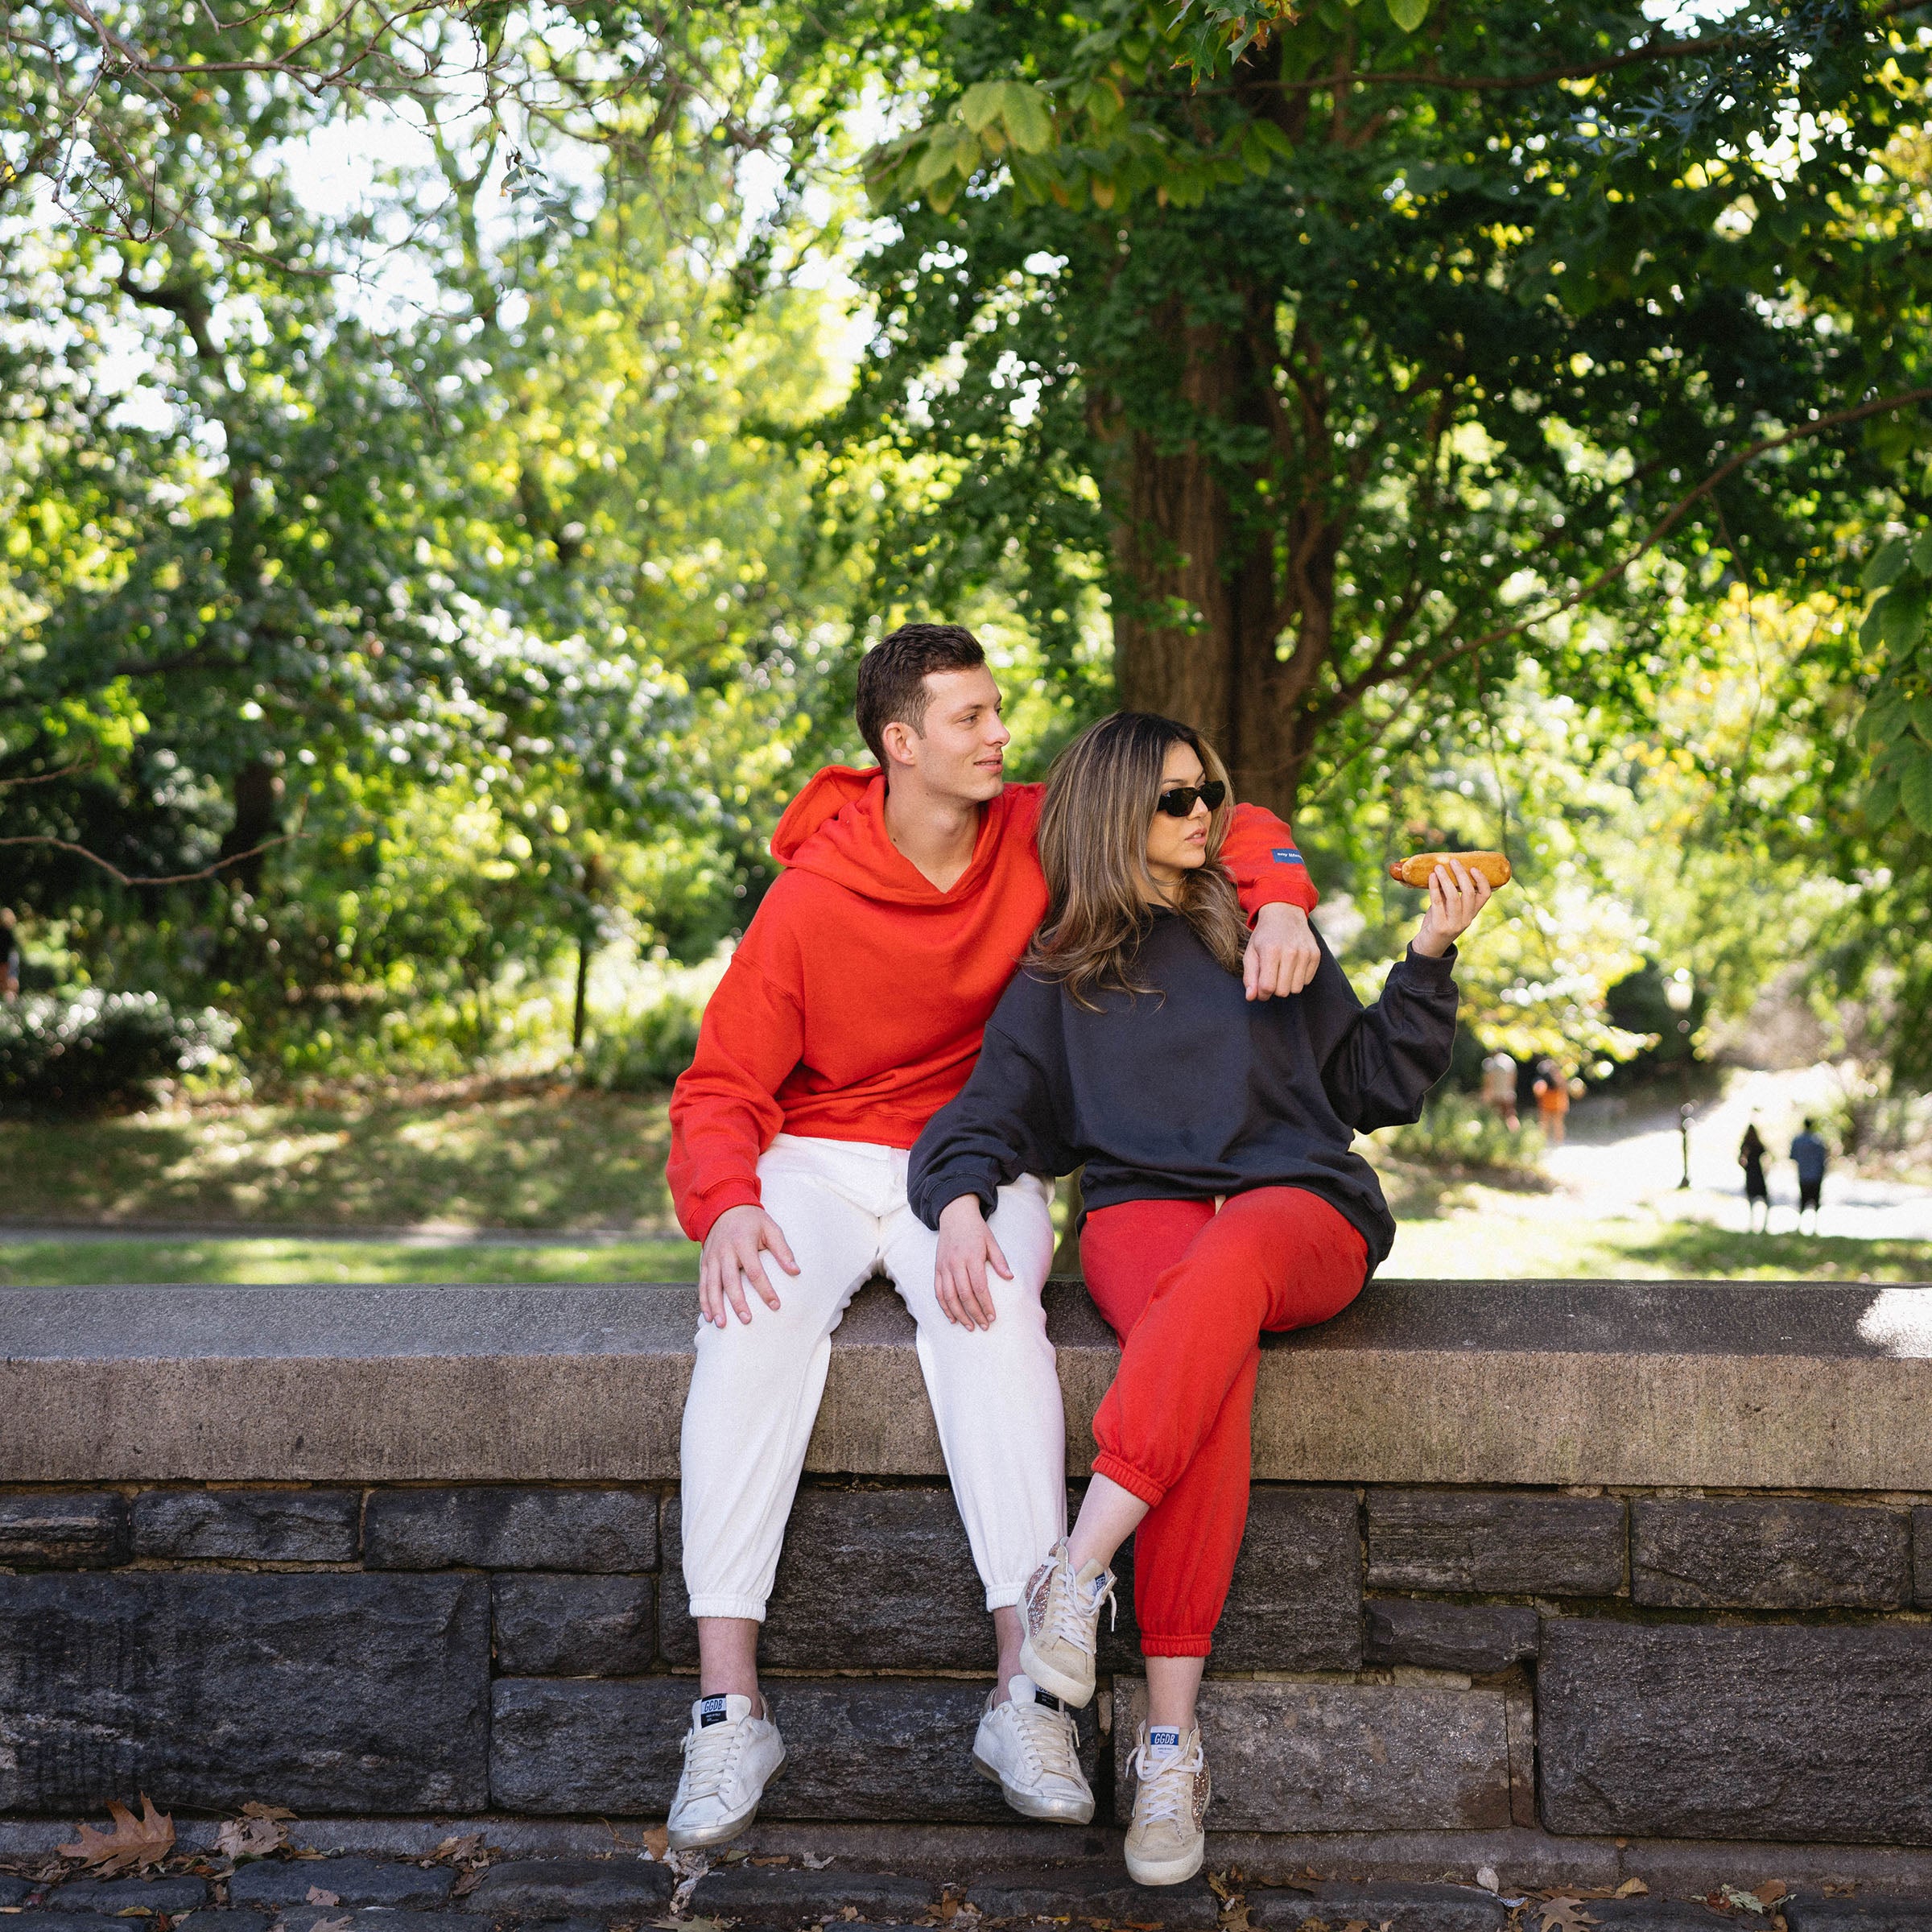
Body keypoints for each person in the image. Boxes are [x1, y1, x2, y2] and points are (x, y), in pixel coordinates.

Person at [663, 627, 1324, 1852]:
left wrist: (1282, 894)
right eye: (970, 718)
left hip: (974, 1155)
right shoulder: (808, 899)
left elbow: (1220, 815)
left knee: (993, 1313)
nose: (1000, 734)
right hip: (817, 1157)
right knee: (746, 1319)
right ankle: (726, 1709)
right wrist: (729, 1198)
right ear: (900, 743)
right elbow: (720, 1086)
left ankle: (1029, 1696)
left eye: (998, 711)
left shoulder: (1037, 830)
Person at [907, 712, 1492, 1888]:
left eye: (1210, 795)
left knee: (1223, 1272)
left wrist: (1428, 961)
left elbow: (1370, 1081)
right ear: (1115, 812)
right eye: (1177, 800)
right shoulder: (1064, 967)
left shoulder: (1257, 927)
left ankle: (1074, 1577)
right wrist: (961, 1202)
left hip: (1298, 1210)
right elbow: (982, 1119)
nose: (1204, 818)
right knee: (1205, 1374)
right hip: (1142, 1215)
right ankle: (1169, 1749)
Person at [1791, 1117, 1829, 1232]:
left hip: (1804, 1175)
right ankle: (1814, 1227)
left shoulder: (1798, 1140)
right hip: (1816, 1175)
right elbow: (1824, 1158)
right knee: (1815, 1201)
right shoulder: (1818, 1140)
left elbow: (1793, 1156)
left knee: (1803, 1200)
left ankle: (1801, 1226)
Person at [1738, 1123, 1770, 1232]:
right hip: (1757, 1173)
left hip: (1752, 1173)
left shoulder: (1748, 1144)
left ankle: (1754, 1225)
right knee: (1763, 1200)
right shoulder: (1755, 1144)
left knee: (1753, 1200)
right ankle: (1760, 1225)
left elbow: (1740, 1160)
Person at [1533, 1057, 1571, 1146]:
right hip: (1546, 1103)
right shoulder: (1543, 1078)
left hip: (1558, 1103)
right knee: (1544, 1124)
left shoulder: (1559, 1076)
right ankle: (1542, 1143)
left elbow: (1563, 1087)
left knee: (1558, 1124)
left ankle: (1558, 1143)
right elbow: (1538, 1090)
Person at [1480, 1050, 1519, 1130]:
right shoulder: (1509, 1061)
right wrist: (1511, 1092)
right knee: (1510, 1116)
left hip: (1495, 1095)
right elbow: (1513, 1078)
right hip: (1508, 1094)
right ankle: (1515, 1136)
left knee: (1494, 1116)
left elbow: (1488, 1080)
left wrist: (1486, 1095)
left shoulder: (1490, 1063)